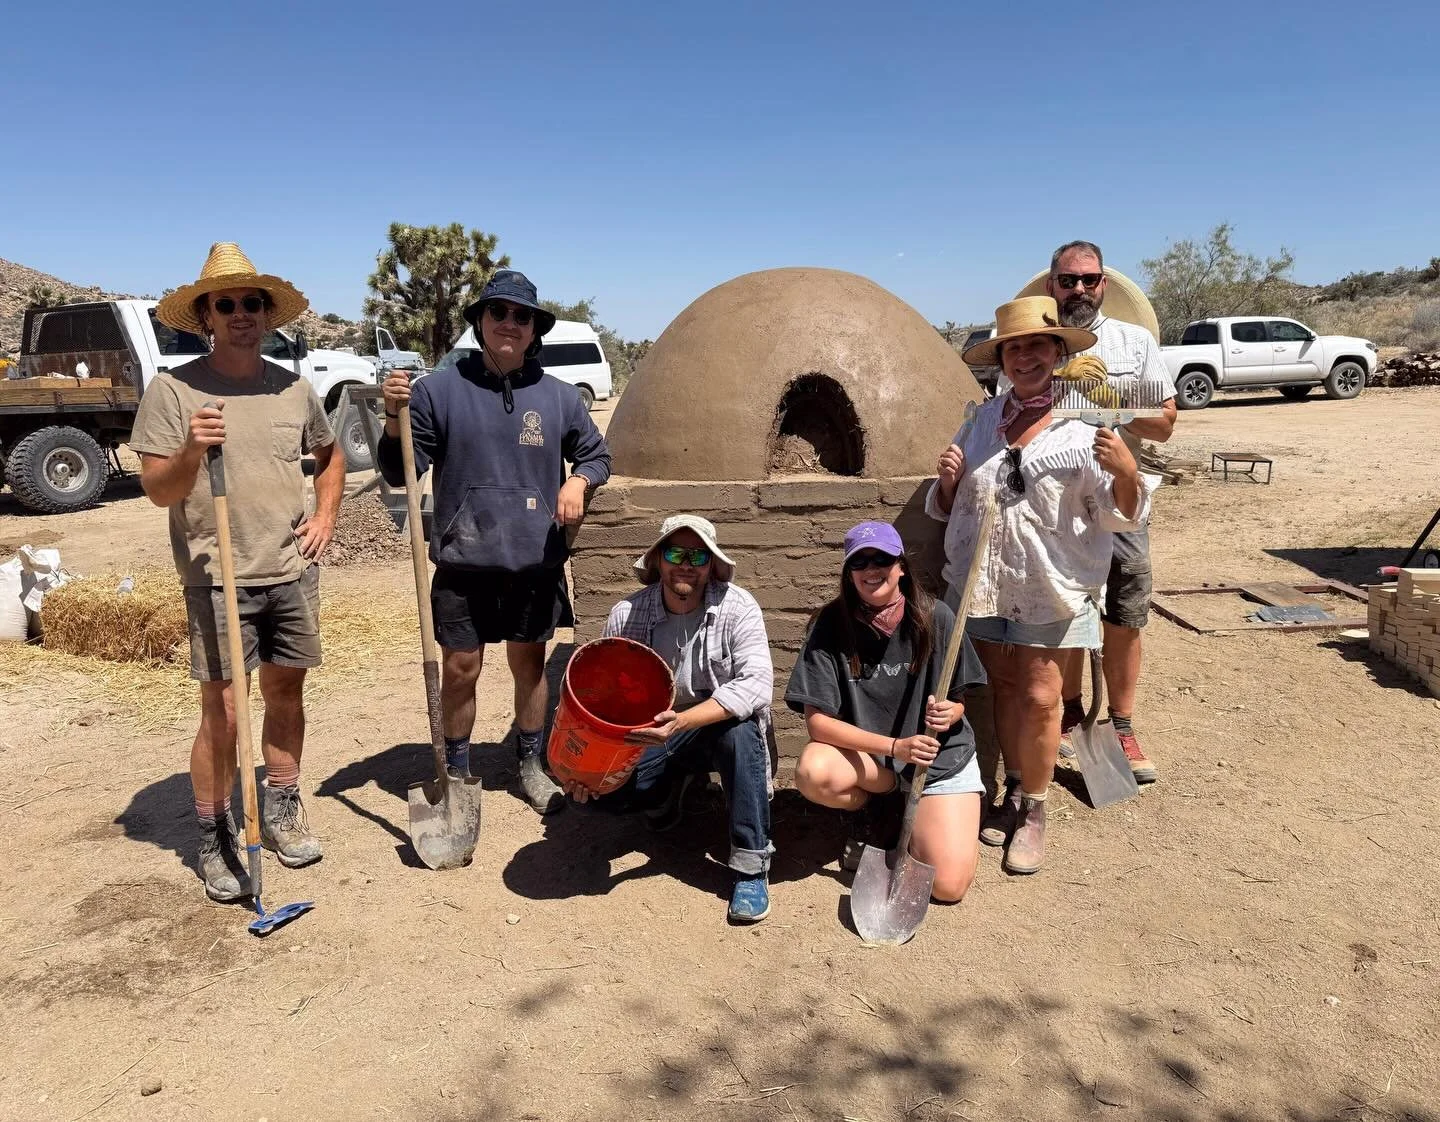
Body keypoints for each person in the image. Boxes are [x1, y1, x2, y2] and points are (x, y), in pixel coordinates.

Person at [131, 243, 344, 902]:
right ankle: (214, 832)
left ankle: (281, 807)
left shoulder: (293, 388)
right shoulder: (175, 391)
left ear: (267, 313)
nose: (242, 313)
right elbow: (158, 490)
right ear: (206, 314)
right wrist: (193, 448)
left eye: (253, 302)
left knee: (285, 696)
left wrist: (326, 518)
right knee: (223, 712)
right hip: (216, 574)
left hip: (289, 570)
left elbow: (329, 455)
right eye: (227, 303)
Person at [928, 295, 1152, 874]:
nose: (1024, 357)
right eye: (1013, 348)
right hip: (985, 583)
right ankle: (1010, 788)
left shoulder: (1086, 427)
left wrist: (1126, 472)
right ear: (1002, 359)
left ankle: (1034, 808)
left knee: (1042, 696)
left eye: (1036, 346)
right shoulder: (980, 423)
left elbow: (1119, 513)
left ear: (1056, 352)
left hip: (1053, 585)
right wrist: (950, 485)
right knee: (1003, 690)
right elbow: (956, 509)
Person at [378, 270, 611, 814]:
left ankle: (531, 763)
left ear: (534, 330)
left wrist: (579, 479)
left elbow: (598, 454)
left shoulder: (558, 399)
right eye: (498, 312)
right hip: (464, 560)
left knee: (530, 664)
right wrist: (394, 419)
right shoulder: (438, 390)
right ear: (480, 322)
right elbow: (398, 472)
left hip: (534, 559)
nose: (509, 323)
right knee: (460, 669)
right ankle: (456, 772)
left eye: (521, 316)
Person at [563, 515, 777, 924]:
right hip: (650, 736)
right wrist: (584, 767)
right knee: (594, 798)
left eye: (697, 555)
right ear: (658, 560)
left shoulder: (737, 606)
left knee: (743, 726)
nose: (685, 564)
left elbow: (756, 686)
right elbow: (604, 701)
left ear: (711, 565)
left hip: (712, 730)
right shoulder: (627, 614)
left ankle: (751, 867)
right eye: (675, 552)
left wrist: (680, 723)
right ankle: (662, 797)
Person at [787, 522, 988, 904]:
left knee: (947, 887)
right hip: (879, 764)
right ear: (849, 573)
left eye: (881, 558)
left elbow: (961, 694)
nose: (871, 568)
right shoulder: (830, 626)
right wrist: (895, 747)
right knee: (814, 771)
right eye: (859, 562)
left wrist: (950, 711)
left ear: (900, 567)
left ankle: (911, 831)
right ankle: (878, 811)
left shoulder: (937, 616)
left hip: (937, 760)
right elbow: (817, 722)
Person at [1043, 242, 1177, 783]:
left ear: (1104, 283)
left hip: (1122, 497)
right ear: (1052, 284)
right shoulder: (1037, 343)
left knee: (1124, 611)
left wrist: (1110, 407)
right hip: (1056, 503)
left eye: (1089, 280)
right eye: (1068, 280)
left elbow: (1165, 422)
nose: (1079, 289)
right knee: (1066, 607)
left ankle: (1121, 722)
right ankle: (1072, 715)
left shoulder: (1133, 344)